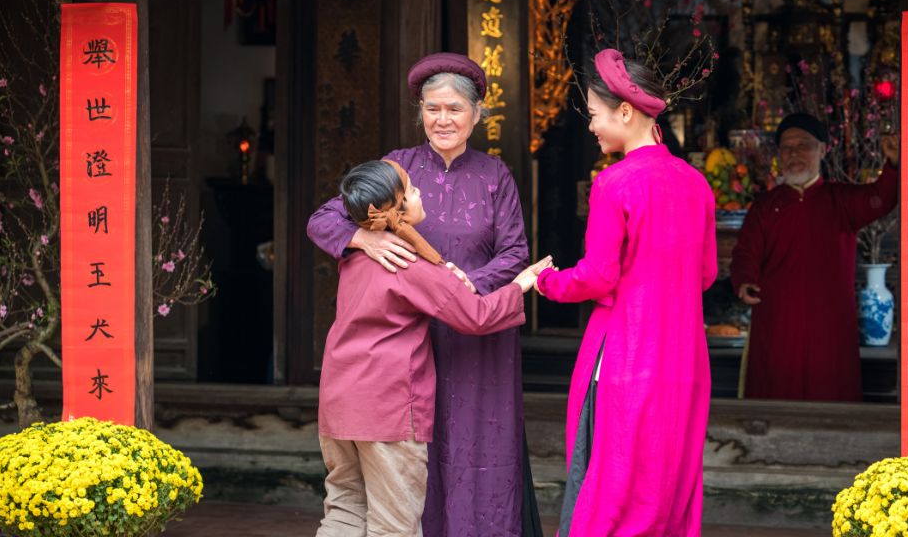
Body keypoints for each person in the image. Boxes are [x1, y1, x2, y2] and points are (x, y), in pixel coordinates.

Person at [306, 53, 541, 536]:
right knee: (405, 458)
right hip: (405, 343)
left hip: (478, 335)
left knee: (475, 449)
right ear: (420, 113)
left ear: (478, 113)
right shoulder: (399, 169)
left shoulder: (496, 175)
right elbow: (323, 219)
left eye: (455, 109)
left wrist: (467, 283)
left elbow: (515, 251)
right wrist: (364, 238)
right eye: (433, 109)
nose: (443, 119)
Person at [537, 48, 718, 536]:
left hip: (625, 356)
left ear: (624, 111)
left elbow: (597, 276)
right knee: (669, 481)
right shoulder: (697, 183)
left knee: (609, 483)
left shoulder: (614, 183)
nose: (591, 127)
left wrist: (545, 281)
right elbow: (705, 275)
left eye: (594, 115)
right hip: (682, 359)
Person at [730, 113, 900, 401]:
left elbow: (882, 198)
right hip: (777, 321)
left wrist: (893, 164)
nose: (795, 153)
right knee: (775, 396)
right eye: (787, 147)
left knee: (829, 392)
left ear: (822, 149)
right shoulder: (765, 207)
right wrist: (745, 281)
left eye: (804, 145)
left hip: (829, 324)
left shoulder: (841, 200)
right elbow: (745, 252)